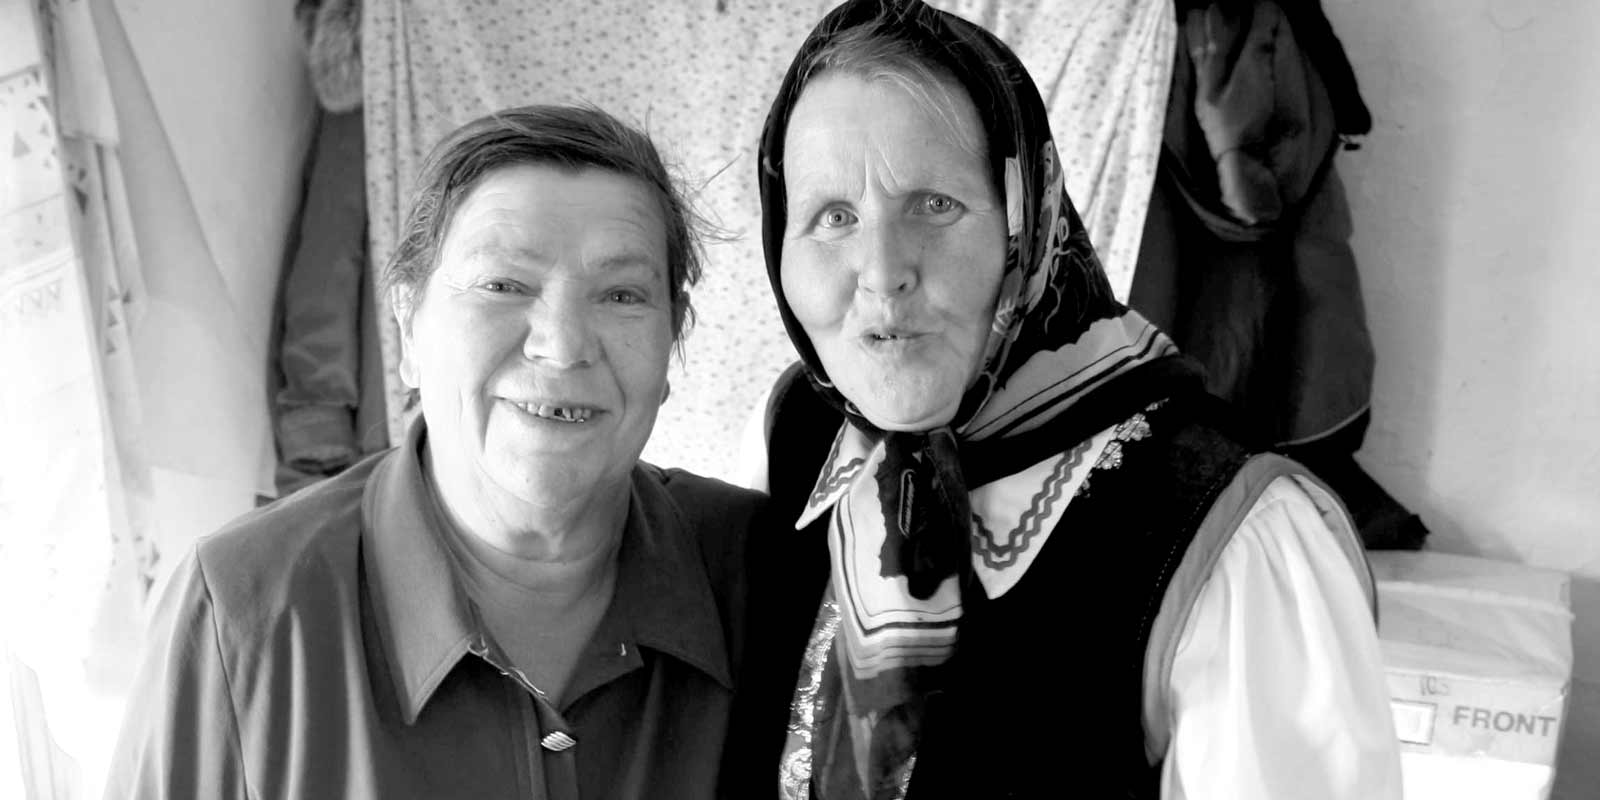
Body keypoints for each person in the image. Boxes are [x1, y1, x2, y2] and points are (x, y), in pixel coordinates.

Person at [721, 2, 1401, 798]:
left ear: (1030, 219)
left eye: (935, 206)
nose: (881, 272)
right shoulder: (793, 440)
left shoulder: (1232, 537)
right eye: (832, 217)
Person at [105, 105, 764, 799]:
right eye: (504, 284)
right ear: (408, 326)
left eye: (622, 294)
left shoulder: (763, 574)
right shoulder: (242, 612)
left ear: (674, 340)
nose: (564, 344)